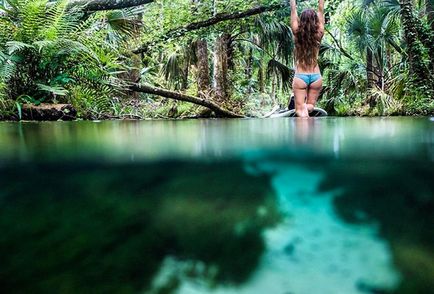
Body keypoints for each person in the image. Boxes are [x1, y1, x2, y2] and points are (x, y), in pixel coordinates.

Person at [290, 0, 325, 117]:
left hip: (301, 76)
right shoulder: (319, 33)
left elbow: (293, 10)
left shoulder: (296, 33)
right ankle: (306, 109)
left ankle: (304, 133)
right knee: (310, 107)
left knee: (299, 110)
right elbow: (321, 9)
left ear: (302, 20)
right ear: (315, 20)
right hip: (316, 77)